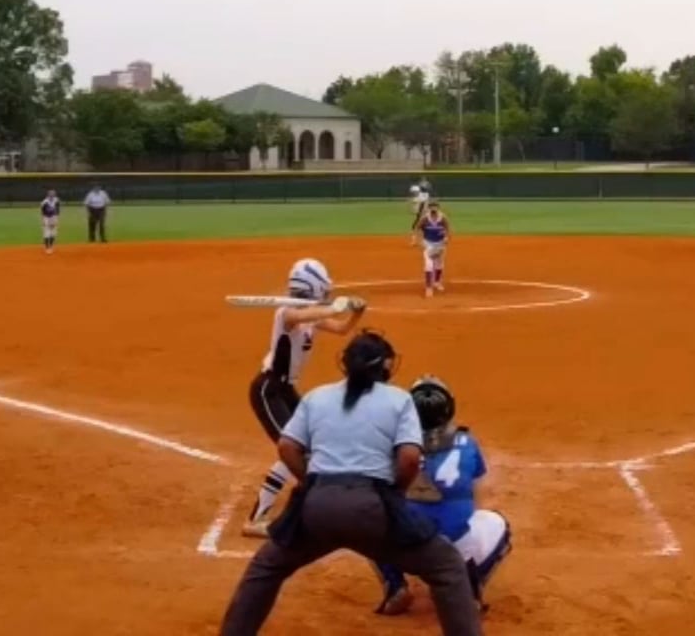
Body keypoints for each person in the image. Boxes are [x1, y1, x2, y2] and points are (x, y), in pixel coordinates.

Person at [219, 332, 484, 636]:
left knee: (266, 568)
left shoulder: (316, 397)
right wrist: (394, 492)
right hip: (372, 510)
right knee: (447, 566)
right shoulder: (399, 400)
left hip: (317, 509)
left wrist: (312, 482)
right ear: (385, 367)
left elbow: (287, 447)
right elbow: (410, 458)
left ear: (345, 364)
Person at [244, 259, 369, 536]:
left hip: (286, 390)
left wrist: (356, 313)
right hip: (269, 390)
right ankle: (256, 519)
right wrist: (333, 306)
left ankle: (307, 505)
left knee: (310, 443)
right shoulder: (286, 313)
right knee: (293, 449)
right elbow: (298, 316)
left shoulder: (310, 315)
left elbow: (341, 329)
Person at [375, 376, 513, 617]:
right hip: (452, 552)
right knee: (496, 523)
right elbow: (475, 498)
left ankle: (395, 586)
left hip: (405, 546)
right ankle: (468, 590)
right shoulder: (467, 442)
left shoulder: (392, 446)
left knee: (370, 517)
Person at [412, 201, 451, 297]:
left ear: (438, 208)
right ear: (429, 209)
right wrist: (417, 239)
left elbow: (447, 228)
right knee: (428, 265)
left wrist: (446, 237)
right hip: (428, 244)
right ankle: (428, 287)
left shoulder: (443, 218)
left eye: (435, 207)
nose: (433, 209)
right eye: (432, 208)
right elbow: (417, 228)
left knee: (439, 264)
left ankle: (437, 282)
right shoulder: (425, 218)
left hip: (440, 244)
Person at [40, 189, 62, 253]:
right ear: (48, 195)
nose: (52, 196)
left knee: (53, 233)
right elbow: (42, 212)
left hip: (54, 217)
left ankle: (51, 246)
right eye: (50, 195)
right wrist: (43, 220)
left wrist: (56, 219)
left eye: (53, 194)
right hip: (46, 217)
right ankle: (47, 247)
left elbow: (58, 210)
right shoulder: (44, 202)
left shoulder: (56, 200)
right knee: (47, 232)